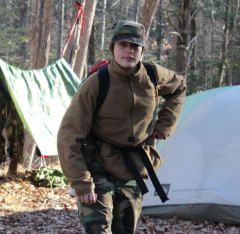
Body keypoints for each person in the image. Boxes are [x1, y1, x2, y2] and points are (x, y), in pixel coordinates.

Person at [57, 20, 186, 234]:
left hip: (133, 167)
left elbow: (179, 85)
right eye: (123, 45)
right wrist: (81, 182)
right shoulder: (97, 83)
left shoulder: (153, 75)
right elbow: (68, 135)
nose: (129, 51)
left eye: (135, 46)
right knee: (98, 229)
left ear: (142, 50)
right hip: (97, 164)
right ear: (113, 47)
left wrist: (165, 124)